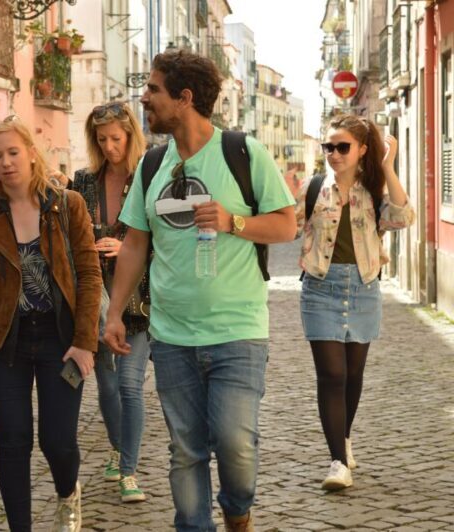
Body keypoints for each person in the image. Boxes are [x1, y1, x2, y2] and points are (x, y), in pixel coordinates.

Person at [103, 50, 297, 532]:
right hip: (171, 337)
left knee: (236, 444)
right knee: (185, 449)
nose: (144, 98)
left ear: (184, 99)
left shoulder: (243, 152)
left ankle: (237, 511)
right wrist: (113, 313)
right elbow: (134, 245)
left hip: (237, 331)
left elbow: (287, 226)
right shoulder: (150, 166)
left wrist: (234, 222)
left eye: (153, 90)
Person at [0, 116, 102, 532]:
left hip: (60, 338)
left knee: (57, 441)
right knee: (13, 443)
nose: (5, 162)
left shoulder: (66, 204)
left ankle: (67, 492)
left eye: (13, 152)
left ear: (31, 154)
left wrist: (85, 341)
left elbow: (89, 275)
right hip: (7, 343)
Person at [295, 114, 415, 491]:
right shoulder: (313, 188)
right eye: (328, 146)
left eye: (342, 146)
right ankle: (337, 461)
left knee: (353, 376)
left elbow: (403, 216)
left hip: (363, 288)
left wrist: (388, 168)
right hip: (319, 289)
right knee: (331, 375)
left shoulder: (374, 191)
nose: (333, 153)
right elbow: (286, 223)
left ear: (362, 149)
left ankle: (342, 438)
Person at [72, 102, 150, 503]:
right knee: (106, 384)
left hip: (139, 298)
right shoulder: (83, 181)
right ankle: (120, 449)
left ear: (130, 135)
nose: (109, 146)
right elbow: (70, 234)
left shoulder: (149, 179)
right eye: (101, 140)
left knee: (130, 385)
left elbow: (163, 237)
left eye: (115, 138)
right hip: (95, 296)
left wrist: (127, 247)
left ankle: (129, 471)